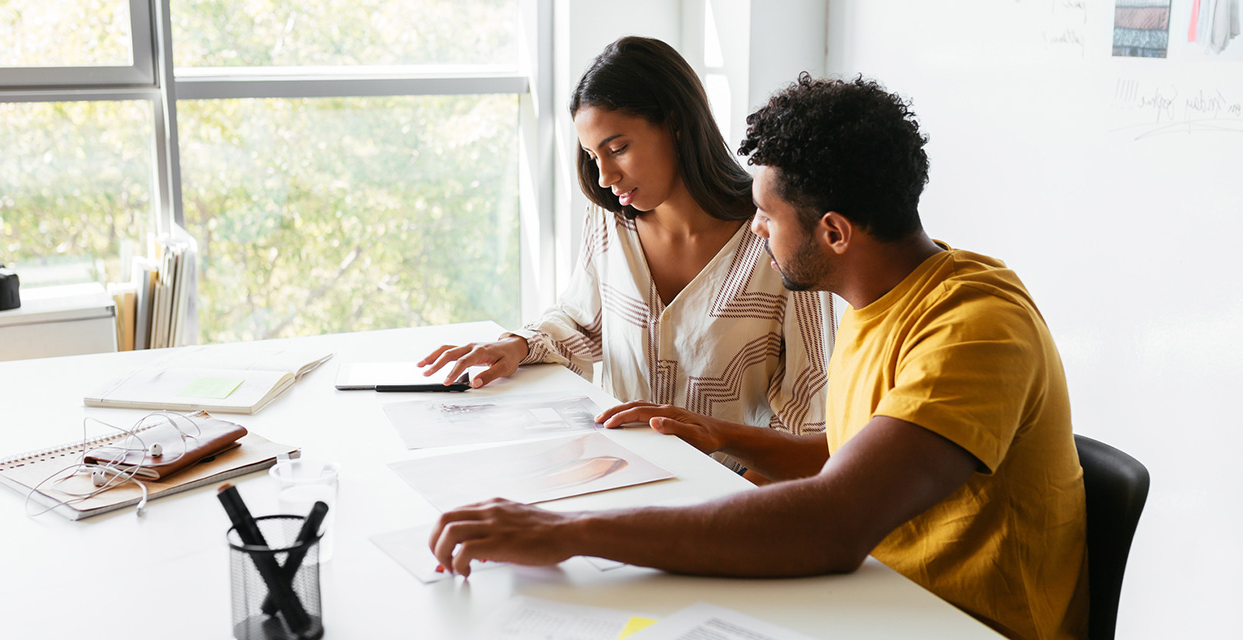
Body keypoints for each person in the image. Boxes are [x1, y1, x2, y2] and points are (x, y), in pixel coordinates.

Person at [429, 74, 1089, 640]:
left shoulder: (976, 328)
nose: (754, 230)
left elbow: (834, 519)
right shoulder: (879, 292)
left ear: (834, 232)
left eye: (766, 217)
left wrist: (569, 532)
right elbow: (854, 456)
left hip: (951, 622)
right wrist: (720, 433)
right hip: (869, 597)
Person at [418, 37, 835, 473]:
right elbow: (584, 323)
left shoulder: (776, 237)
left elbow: (811, 408)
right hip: (619, 478)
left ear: (676, 124)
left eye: (617, 148)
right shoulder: (610, 222)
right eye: (592, 155)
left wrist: (739, 495)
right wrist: (516, 344)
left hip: (734, 499)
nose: (605, 175)